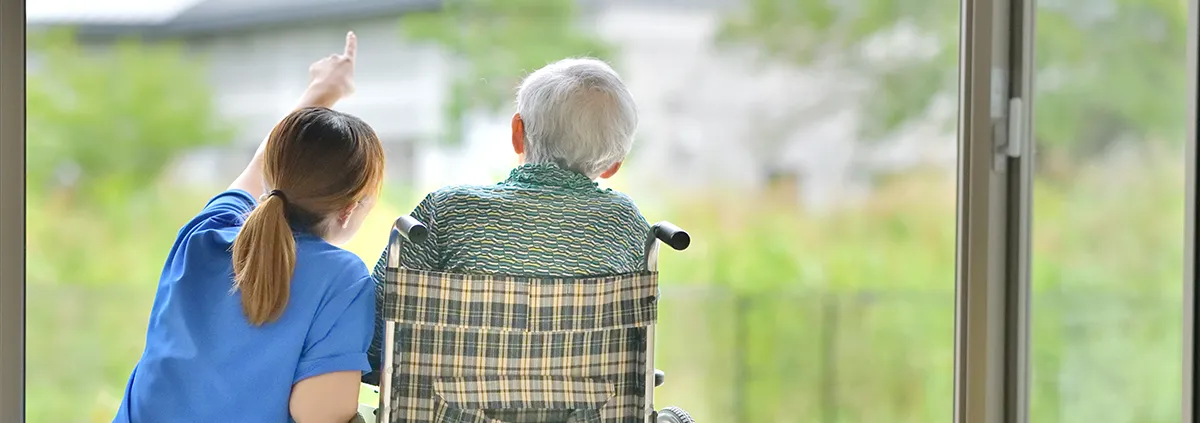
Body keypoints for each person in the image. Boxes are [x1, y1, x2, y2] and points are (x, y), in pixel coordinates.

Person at [115, 32, 384, 423]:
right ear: (348, 211)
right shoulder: (342, 278)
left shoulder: (204, 234)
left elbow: (258, 168)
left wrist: (323, 89)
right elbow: (319, 415)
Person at [364, 57, 650, 383]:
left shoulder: (448, 211)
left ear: (518, 133)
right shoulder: (625, 225)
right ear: (614, 164)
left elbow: (376, 335)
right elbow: (633, 346)